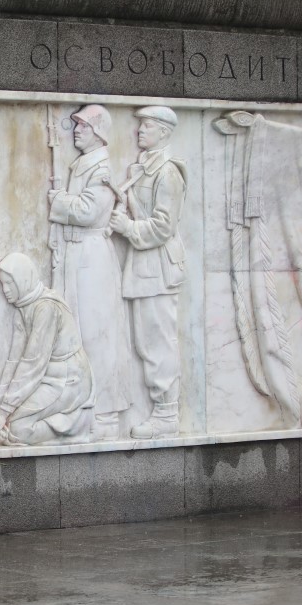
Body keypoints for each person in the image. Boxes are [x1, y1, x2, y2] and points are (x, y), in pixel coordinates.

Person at [47, 104, 129, 440]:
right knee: (74, 336)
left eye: (82, 126)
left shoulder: (102, 168)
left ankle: (106, 417)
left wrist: (58, 200)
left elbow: (89, 211)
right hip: (73, 255)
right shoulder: (83, 163)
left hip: (92, 257)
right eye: (75, 125)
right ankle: (83, 410)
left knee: (98, 337)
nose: (75, 130)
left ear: (97, 131)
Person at [109, 105, 187, 439]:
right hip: (142, 268)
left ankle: (167, 414)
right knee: (145, 342)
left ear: (164, 132)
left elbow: (163, 227)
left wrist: (127, 227)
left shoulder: (167, 172)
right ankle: (161, 410)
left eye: (147, 126)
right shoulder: (143, 168)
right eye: (139, 125)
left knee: (158, 343)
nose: (139, 130)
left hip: (158, 268)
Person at [0, 252, 94, 445]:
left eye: (10, 283)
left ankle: (79, 425)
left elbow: (33, 364)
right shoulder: (23, 308)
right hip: (47, 378)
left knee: (17, 429)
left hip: (68, 380)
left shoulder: (46, 307)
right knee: (10, 423)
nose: (5, 289)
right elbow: (14, 362)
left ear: (23, 279)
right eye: (3, 284)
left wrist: (3, 413)